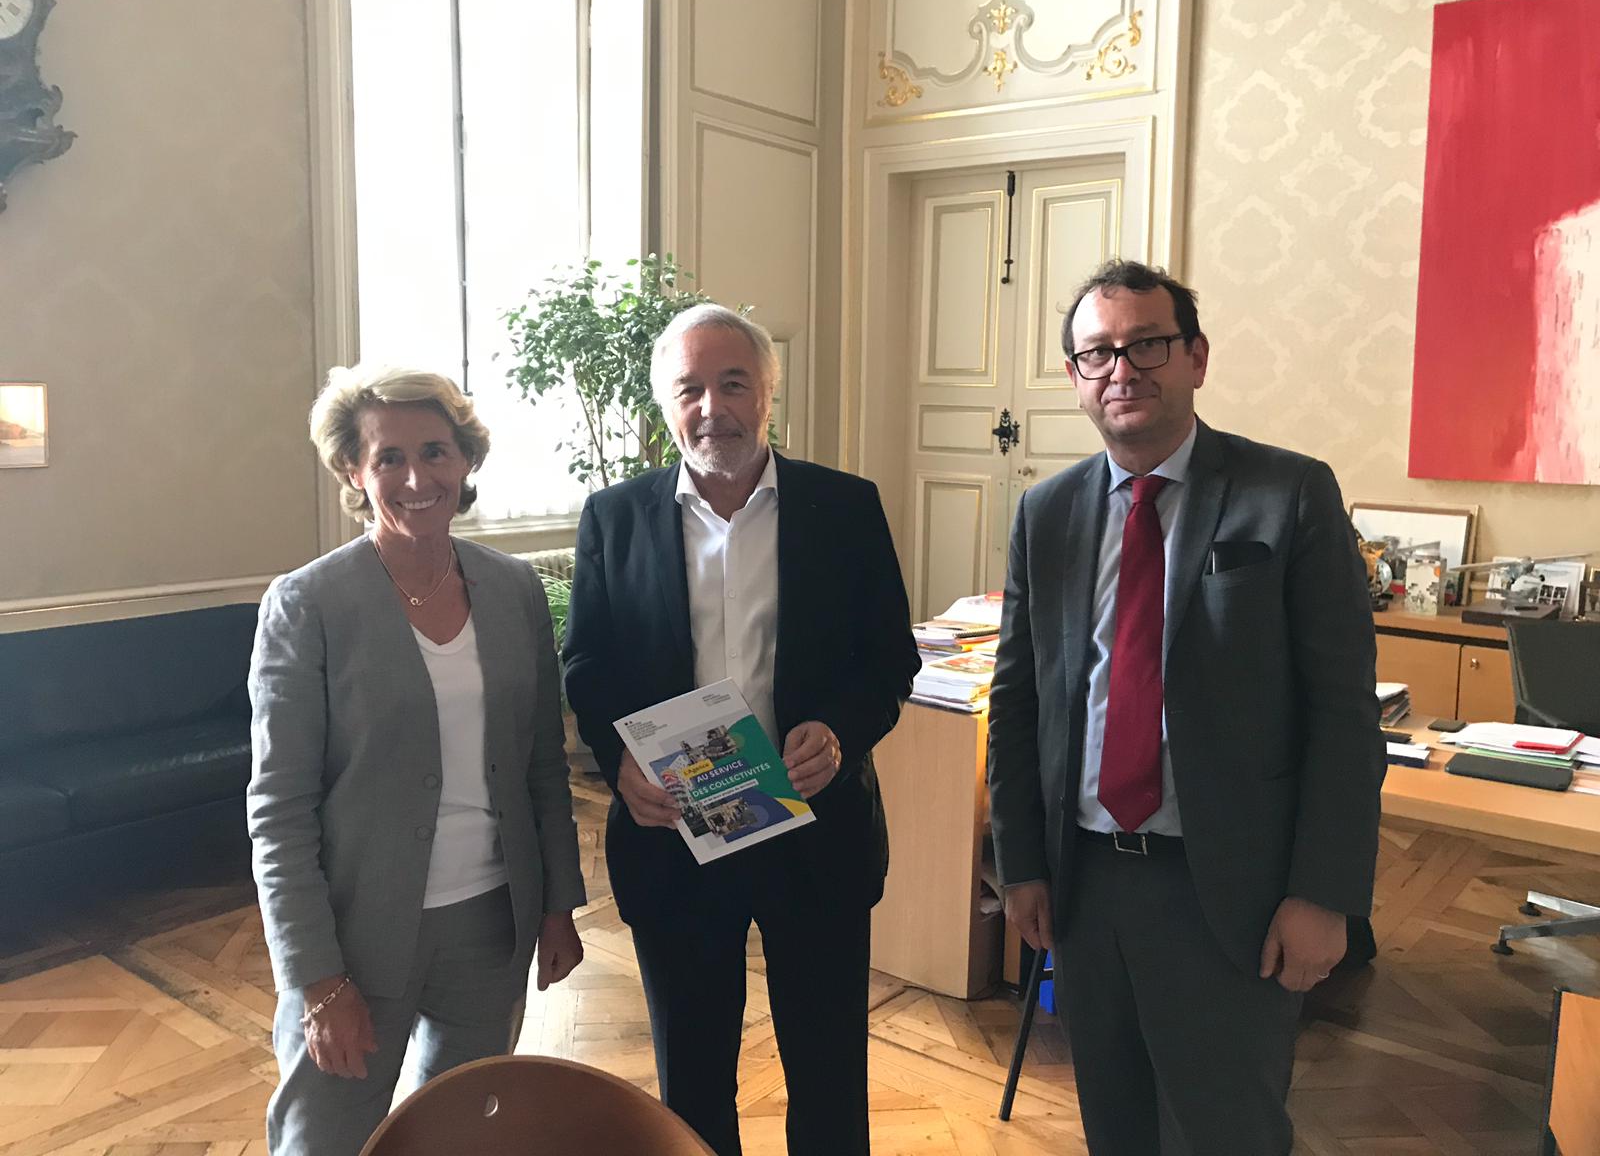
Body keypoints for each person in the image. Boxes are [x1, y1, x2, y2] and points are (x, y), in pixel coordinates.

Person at [986, 260, 1384, 1154]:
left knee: (1226, 1132)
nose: (1122, 370)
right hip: (1084, 884)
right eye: (1097, 353)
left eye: (1147, 345)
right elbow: (1020, 702)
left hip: (1230, 889)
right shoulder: (1043, 514)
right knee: (1115, 1128)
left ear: (1196, 358)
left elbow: (1343, 714)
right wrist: (1021, 865)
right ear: (1075, 380)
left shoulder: (1289, 494)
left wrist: (1326, 894)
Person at [562, 304, 920, 1156]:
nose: (712, 407)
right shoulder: (615, 518)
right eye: (690, 388)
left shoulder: (844, 507)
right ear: (664, 403)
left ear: (768, 394)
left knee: (830, 1075)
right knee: (691, 1085)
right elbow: (588, 666)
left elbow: (889, 660)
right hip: (673, 833)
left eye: (733, 384)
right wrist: (622, 766)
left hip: (814, 828)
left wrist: (840, 731)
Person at [248, 366, 587, 1156]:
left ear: (465, 461)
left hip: (491, 923)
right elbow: (279, 810)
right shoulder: (309, 604)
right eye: (388, 458)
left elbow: (542, 763)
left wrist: (556, 904)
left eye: (435, 452)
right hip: (355, 932)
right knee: (322, 1139)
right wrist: (317, 979)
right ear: (352, 472)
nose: (415, 477)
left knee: (463, 1134)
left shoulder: (512, 590)